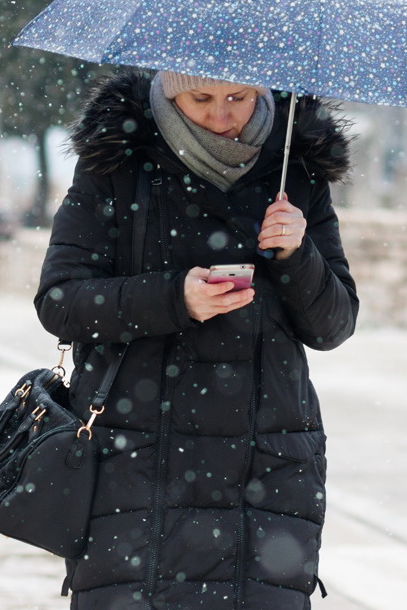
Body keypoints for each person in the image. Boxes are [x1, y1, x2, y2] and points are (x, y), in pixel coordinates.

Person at [35, 67, 358, 610]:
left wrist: (298, 254)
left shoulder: (294, 166)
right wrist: (173, 299)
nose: (223, 115)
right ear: (166, 90)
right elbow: (62, 301)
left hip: (268, 467)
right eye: (201, 98)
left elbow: (334, 324)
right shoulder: (117, 160)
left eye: (239, 95)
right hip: (135, 464)